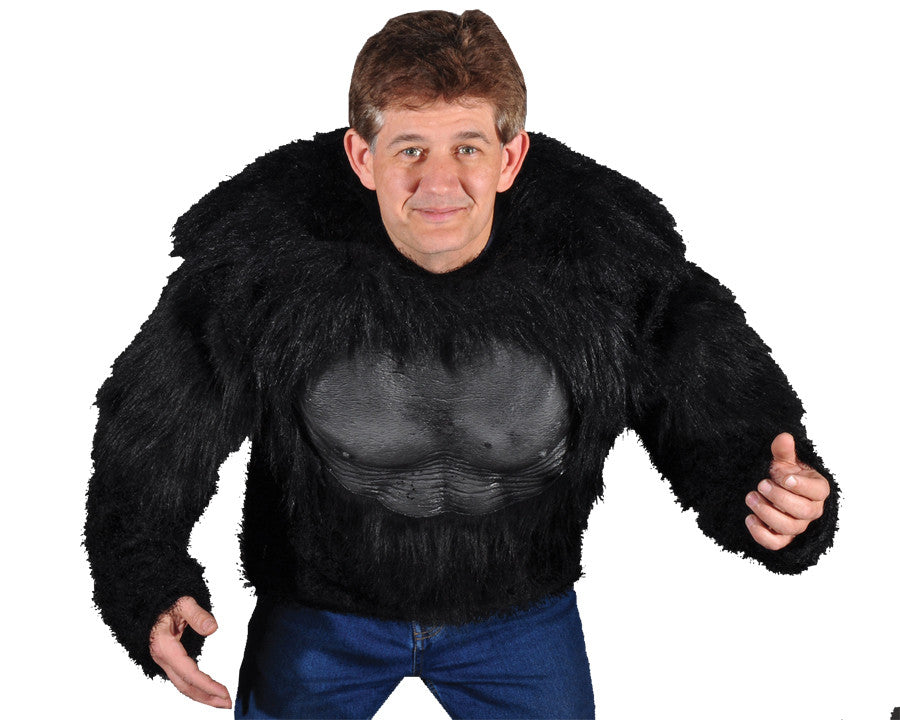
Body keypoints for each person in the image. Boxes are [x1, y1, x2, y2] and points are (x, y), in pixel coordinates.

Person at [84, 9, 838, 719]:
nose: (439, 185)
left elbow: (721, 412)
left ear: (511, 158)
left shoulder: (604, 257)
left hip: (519, 613)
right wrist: (146, 580)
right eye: (410, 149)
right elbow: (151, 440)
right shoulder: (264, 258)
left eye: (468, 149)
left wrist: (771, 496)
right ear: (363, 157)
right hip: (321, 610)